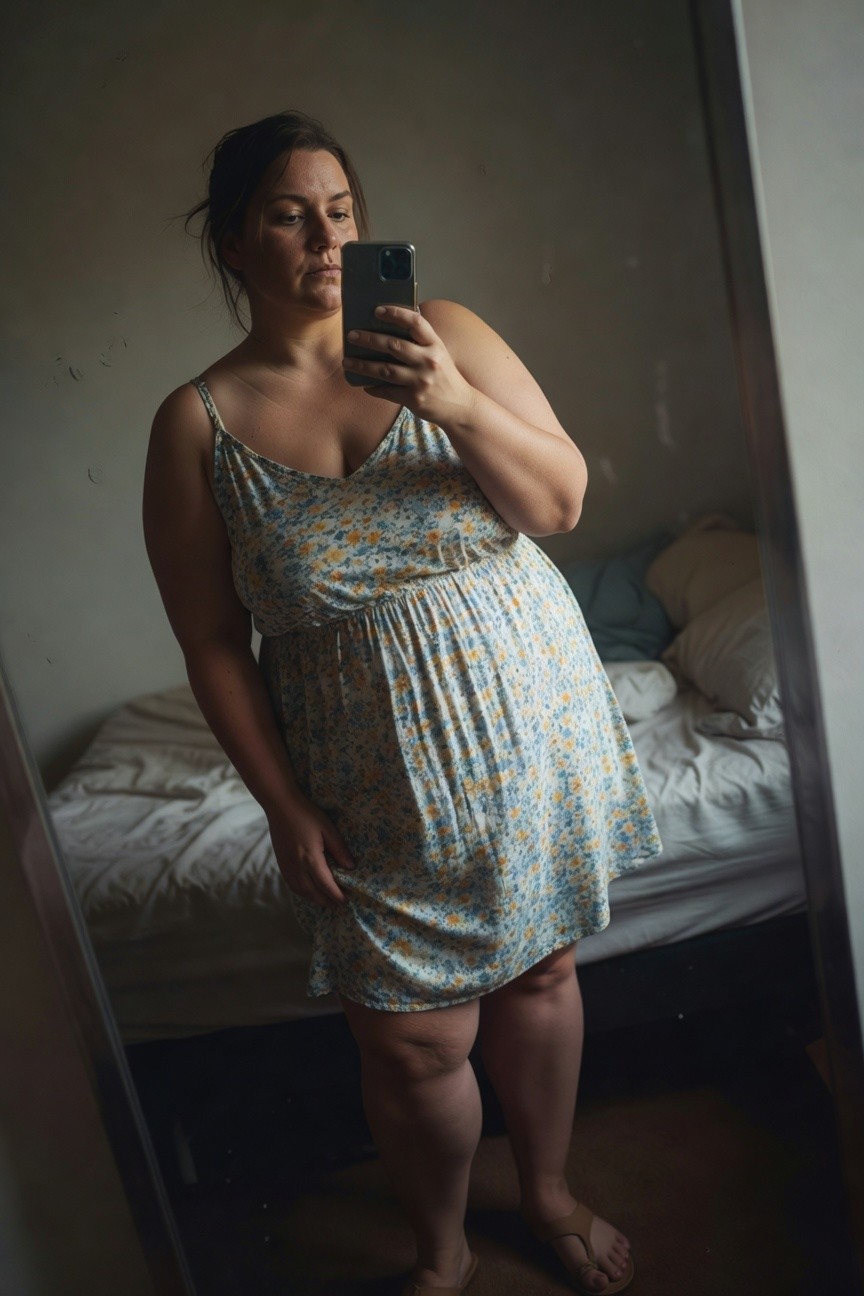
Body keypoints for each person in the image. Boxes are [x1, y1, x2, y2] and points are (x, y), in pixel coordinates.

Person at [143, 109, 660, 1296]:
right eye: (287, 213)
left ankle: (548, 1192)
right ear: (232, 244)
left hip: (531, 726)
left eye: (341, 210)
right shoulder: (198, 426)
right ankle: (441, 1248)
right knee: (414, 1036)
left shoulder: (452, 335)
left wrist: (455, 400)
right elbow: (212, 640)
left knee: (544, 975)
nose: (325, 236)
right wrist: (278, 801)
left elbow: (562, 503)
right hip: (361, 776)